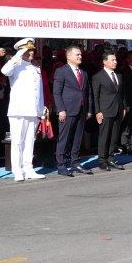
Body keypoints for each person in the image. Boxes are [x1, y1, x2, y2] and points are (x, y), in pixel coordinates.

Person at [0, 39, 47, 182]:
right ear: (21, 50)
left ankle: (28, 168)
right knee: (17, 141)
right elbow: (4, 70)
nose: (32, 52)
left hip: (32, 110)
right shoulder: (15, 64)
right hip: (18, 110)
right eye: (28, 50)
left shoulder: (34, 68)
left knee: (29, 141)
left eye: (32, 50)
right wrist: (18, 55)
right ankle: (17, 170)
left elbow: (38, 91)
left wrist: (41, 109)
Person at [52, 45, 92, 176]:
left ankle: (75, 162)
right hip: (67, 110)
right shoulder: (61, 71)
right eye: (77, 55)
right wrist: (61, 109)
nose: (80, 56)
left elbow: (88, 92)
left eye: (80, 54)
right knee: (64, 138)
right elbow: (57, 92)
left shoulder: (84, 72)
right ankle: (61, 165)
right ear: (68, 56)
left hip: (81, 109)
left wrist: (89, 109)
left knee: (77, 137)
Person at [91, 50, 127, 171]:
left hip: (118, 109)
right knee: (104, 136)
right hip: (105, 110)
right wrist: (98, 111)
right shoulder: (98, 77)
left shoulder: (119, 75)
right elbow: (95, 96)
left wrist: (124, 107)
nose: (115, 62)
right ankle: (102, 159)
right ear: (104, 62)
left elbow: (122, 94)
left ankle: (111, 157)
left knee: (114, 135)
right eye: (113, 60)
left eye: (115, 60)